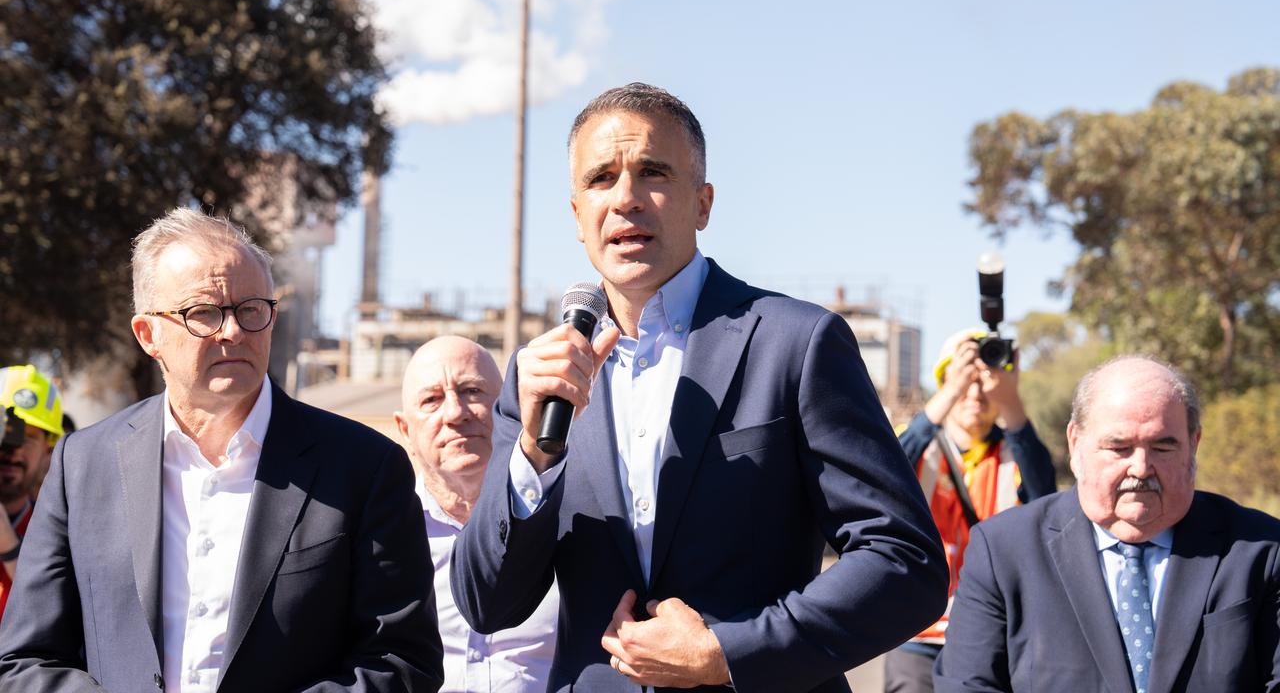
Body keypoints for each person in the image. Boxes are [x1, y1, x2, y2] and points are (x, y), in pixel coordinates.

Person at [451, 82, 948, 693]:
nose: (627, 198)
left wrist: (729, 652)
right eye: (601, 178)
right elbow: (486, 603)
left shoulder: (796, 342)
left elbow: (905, 562)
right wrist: (534, 453)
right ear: (577, 215)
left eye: (653, 172)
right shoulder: (538, 377)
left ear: (703, 203)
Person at [0, 208, 444, 692]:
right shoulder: (82, 465)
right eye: (203, 313)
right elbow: (24, 659)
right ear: (149, 335)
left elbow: (402, 661)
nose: (232, 331)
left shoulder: (363, 467)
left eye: (251, 309)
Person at [934, 356, 1280, 693]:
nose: (1141, 468)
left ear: (1194, 445)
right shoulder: (1003, 551)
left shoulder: (1261, 550)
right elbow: (966, 684)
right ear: (1076, 444)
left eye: (1162, 446)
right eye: (1120, 447)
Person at [885, 330, 1056, 691]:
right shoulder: (917, 441)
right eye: (965, 382)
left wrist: (1010, 400)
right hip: (918, 629)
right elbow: (883, 475)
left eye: (984, 384)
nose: (975, 394)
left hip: (991, 627)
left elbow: (1045, 498)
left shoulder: (1016, 450)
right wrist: (949, 391)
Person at [394, 336, 558, 692]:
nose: (455, 413)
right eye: (431, 400)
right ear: (405, 430)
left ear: (509, 408)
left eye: (471, 391)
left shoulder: (564, 520)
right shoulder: (382, 538)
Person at [0, 365, 64, 622]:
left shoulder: (59, 531)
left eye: (27, 438)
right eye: (6, 434)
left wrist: (9, 546)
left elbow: (55, 613)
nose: (13, 450)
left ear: (48, 450)